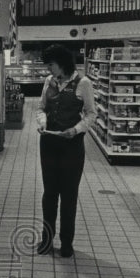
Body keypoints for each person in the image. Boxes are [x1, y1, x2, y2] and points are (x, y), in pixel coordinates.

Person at [35, 44, 97, 257]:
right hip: (49, 144)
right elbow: (41, 107)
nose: (48, 69)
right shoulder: (48, 82)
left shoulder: (83, 83)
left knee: (69, 195)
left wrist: (76, 129)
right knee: (49, 194)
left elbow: (91, 114)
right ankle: (46, 239)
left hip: (72, 147)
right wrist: (42, 121)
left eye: (50, 65)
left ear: (62, 64)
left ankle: (66, 242)